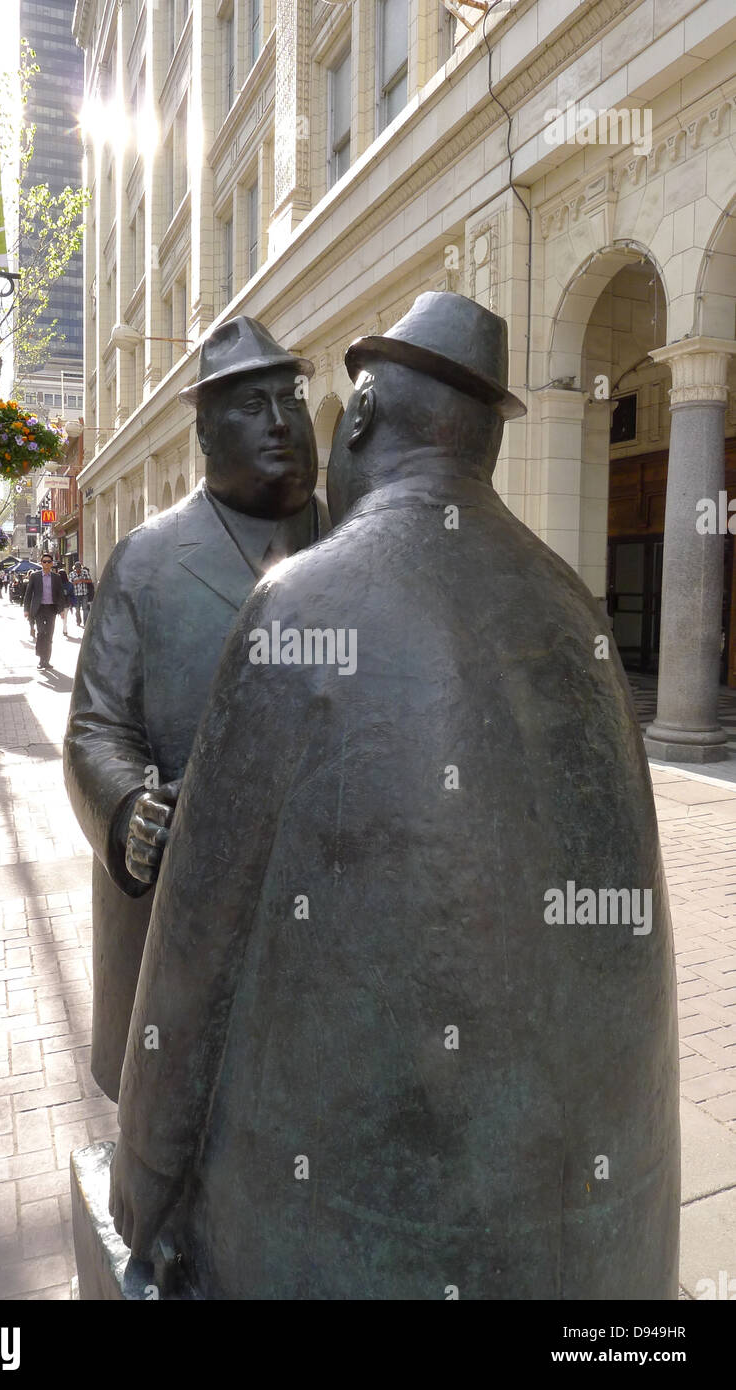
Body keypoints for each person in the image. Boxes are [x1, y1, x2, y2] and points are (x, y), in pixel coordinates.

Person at [111, 293, 679, 1300]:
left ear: (362, 417)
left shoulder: (299, 603)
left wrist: (142, 1192)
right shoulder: (575, 606)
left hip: (325, 1241)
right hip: (601, 1253)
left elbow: (193, 956)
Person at [64, 316, 329, 1104]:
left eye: (289, 397)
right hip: (183, 901)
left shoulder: (353, 532)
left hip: (330, 886)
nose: (280, 421)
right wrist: (125, 811)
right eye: (250, 406)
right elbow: (95, 726)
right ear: (207, 434)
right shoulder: (146, 559)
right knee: (183, 1104)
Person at [23, 553, 67, 670]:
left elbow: (60, 594)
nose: (46, 564)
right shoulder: (35, 576)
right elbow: (28, 594)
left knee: (49, 635)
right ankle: (41, 659)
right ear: (41, 563)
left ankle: (46, 660)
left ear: (52, 564)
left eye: (49, 562)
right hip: (39, 609)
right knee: (41, 633)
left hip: (51, 609)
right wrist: (26, 609)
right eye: (44, 561)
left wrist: (61, 609)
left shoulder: (56, 577)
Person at [57, 566, 75, 636]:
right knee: (65, 617)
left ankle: (64, 629)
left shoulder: (57, 584)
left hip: (58, 602)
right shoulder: (70, 584)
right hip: (67, 602)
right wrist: (72, 603)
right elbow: (72, 594)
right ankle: (65, 629)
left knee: (62, 617)